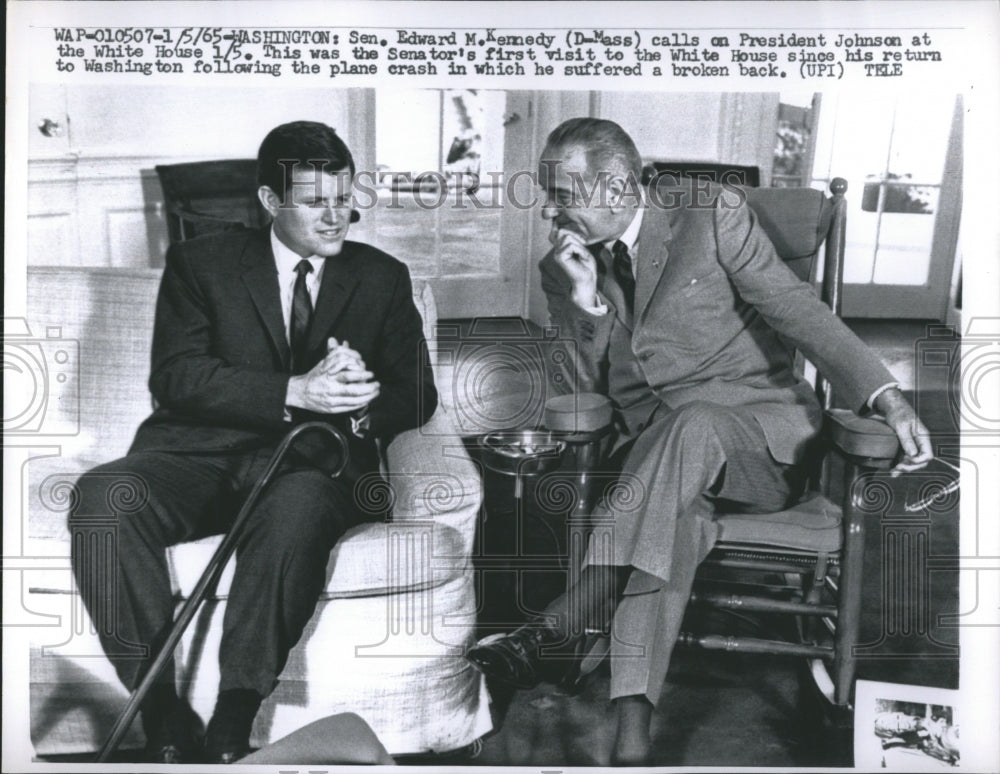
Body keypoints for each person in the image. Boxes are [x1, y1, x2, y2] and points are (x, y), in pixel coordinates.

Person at [466, 117, 932, 764]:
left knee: (695, 424)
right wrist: (586, 304)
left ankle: (561, 621)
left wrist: (885, 395)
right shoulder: (562, 266)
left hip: (759, 446)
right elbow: (577, 387)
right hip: (658, 467)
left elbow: (798, 311)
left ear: (620, 185)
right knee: (673, 526)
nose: (551, 210)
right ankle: (632, 735)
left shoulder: (710, 214)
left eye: (564, 194)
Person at [69, 121, 436, 763]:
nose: (336, 213)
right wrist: (294, 390)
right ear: (270, 203)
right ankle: (163, 720)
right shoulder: (200, 263)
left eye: (345, 194)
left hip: (314, 470)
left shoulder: (382, 277)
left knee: (293, 512)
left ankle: (232, 722)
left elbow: (417, 396)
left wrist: (361, 396)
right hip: (200, 458)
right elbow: (176, 376)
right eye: (315, 198)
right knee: (103, 495)